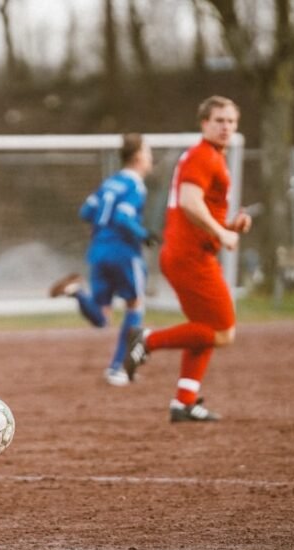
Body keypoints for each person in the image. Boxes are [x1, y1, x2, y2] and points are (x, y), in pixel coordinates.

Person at [123, 95, 252, 423]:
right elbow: (190, 204)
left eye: (231, 121)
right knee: (224, 332)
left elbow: (198, 212)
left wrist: (227, 226)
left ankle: (184, 402)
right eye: (219, 120)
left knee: (204, 329)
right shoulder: (203, 157)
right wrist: (222, 234)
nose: (226, 127)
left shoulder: (209, 157)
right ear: (204, 123)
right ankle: (147, 340)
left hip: (186, 254)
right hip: (191, 259)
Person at [49, 133, 156, 387]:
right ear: (139, 156)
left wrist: (101, 229)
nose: (151, 158)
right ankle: (119, 368)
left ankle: (76, 292)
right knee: (135, 306)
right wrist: (145, 235)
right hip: (123, 252)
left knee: (102, 316)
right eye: (149, 153)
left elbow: (86, 211)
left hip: (98, 250)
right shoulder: (135, 186)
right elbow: (122, 217)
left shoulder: (110, 183)